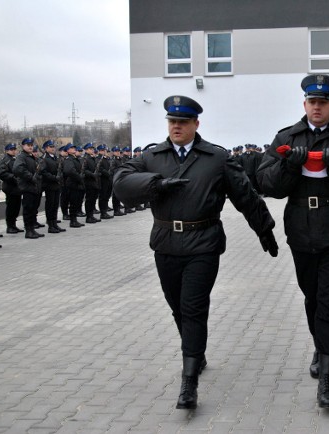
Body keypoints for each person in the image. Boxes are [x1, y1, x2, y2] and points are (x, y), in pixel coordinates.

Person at [113, 95, 278, 410]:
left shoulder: (215, 158)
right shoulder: (152, 157)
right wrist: (155, 184)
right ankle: (196, 351)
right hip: (165, 243)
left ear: (195, 124)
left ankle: (189, 381)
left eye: (183, 122)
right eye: (172, 121)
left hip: (203, 243)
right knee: (177, 307)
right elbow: (121, 183)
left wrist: (264, 228)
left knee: (193, 308)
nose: (176, 126)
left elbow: (245, 194)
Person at [256, 75, 329, 409]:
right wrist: (290, 167)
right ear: (304, 104)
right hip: (302, 230)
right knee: (312, 296)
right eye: (312, 101)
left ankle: (327, 372)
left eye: (324, 102)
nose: (317, 106)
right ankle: (321, 345)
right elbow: (268, 184)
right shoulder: (287, 137)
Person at [13, 138, 45, 239]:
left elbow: (39, 168)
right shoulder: (21, 157)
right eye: (28, 145)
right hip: (27, 187)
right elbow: (18, 169)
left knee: (33, 209)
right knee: (28, 210)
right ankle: (29, 230)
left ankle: (32, 229)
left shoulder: (32, 157)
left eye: (31, 145)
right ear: (23, 146)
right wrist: (30, 177)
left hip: (35, 187)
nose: (30, 147)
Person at [40, 140, 66, 233]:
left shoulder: (55, 158)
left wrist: (59, 177)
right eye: (51, 147)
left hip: (56, 185)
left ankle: (54, 223)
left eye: (53, 147)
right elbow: (43, 172)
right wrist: (54, 178)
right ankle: (50, 225)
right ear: (46, 148)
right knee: (50, 205)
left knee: (55, 205)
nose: (53, 148)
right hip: (49, 185)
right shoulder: (44, 158)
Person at [0, 143, 24, 233]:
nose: (13, 151)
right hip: (10, 187)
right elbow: (2, 173)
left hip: (17, 188)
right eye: (11, 149)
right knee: (11, 207)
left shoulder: (15, 159)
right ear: (7, 150)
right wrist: (13, 177)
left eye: (14, 149)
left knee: (16, 207)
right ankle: (10, 226)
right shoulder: (5, 160)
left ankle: (13, 225)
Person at [62, 144, 86, 228]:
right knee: (73, 203)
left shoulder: (75, 159)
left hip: (77, 184)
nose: (74, 149)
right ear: (67, 151)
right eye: (71, 148)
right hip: (73, 184)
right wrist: (79, 177)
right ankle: (73, 221)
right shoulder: (69, 159)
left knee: (76, 203)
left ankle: (74, 220)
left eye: (74, 147)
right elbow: (69, 171)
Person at [81, 143, 101, 223]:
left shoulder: (93, 158)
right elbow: (83, 170)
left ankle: (91, 215)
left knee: (93, 199)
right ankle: (88, 217)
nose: (92, 150)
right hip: (88, 181)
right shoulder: (85, 158)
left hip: (94, 181)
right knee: (89, 200)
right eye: (90, 149)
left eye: (92, 149)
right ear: (86, 150)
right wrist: (92, 174)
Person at [96, 145, 114, 219]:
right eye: (104, 150)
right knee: (102, 197)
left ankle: (105, 210)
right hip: (103, 180)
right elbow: (99, 168)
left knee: (107, 196)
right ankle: (103, 212)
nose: (106, 152)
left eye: (106, 151)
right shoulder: (98, 159)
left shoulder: (107, 159)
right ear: (100, 151)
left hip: (108, 180)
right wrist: (107, 173)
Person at [109, 146, 125, 216]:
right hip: (115, 178)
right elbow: (112, 170)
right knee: (115, 195)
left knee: (118, 195)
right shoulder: (113, 160)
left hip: (120, 178)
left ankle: (118, 209)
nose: (118, 152)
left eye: (119, 151)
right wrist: (120, 171)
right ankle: (116, 210)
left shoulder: (120, 159)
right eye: (116, 151)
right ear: (113, 152)